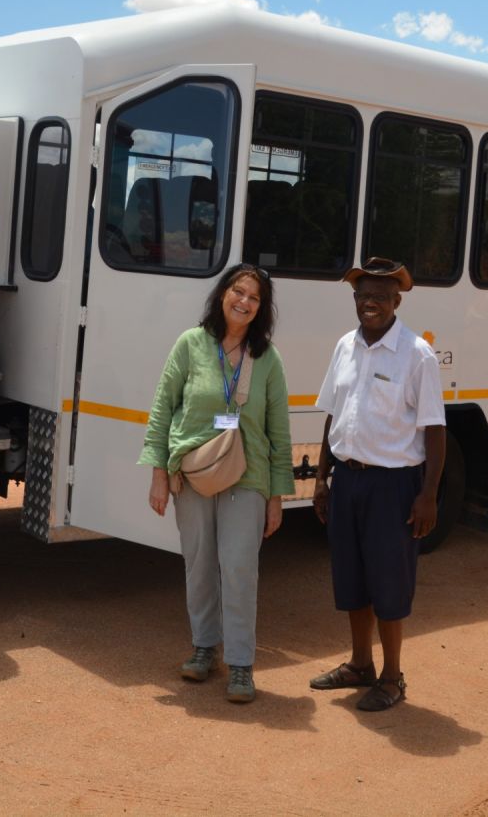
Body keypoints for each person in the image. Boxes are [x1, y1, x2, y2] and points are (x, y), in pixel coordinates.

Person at [140, 264, 293, 703]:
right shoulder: (190, 344)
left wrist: (277, 497)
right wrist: (157, 474)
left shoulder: (267, 359)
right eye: (237, 291)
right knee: (199, 562)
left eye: (254, 297)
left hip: (248, 476)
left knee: (240, 566)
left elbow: (279, 432)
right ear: (222, 293)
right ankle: (205, 648)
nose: (244, 301)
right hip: (192, 472)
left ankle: (241, 665)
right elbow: (162, 409)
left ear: (262, 308)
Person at [309, 257, 446, 712]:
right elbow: (334, 411)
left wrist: (428, 495)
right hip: (348, 480)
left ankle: (392, 677)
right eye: (362, 295)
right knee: (351, 578)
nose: (370, 303)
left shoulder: (417, 354)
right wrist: (323, 479)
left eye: (379, 297)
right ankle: (359, 664)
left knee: (389, 584)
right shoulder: (345, 345)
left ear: (397, 301)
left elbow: (434, 429)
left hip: (394, 487)